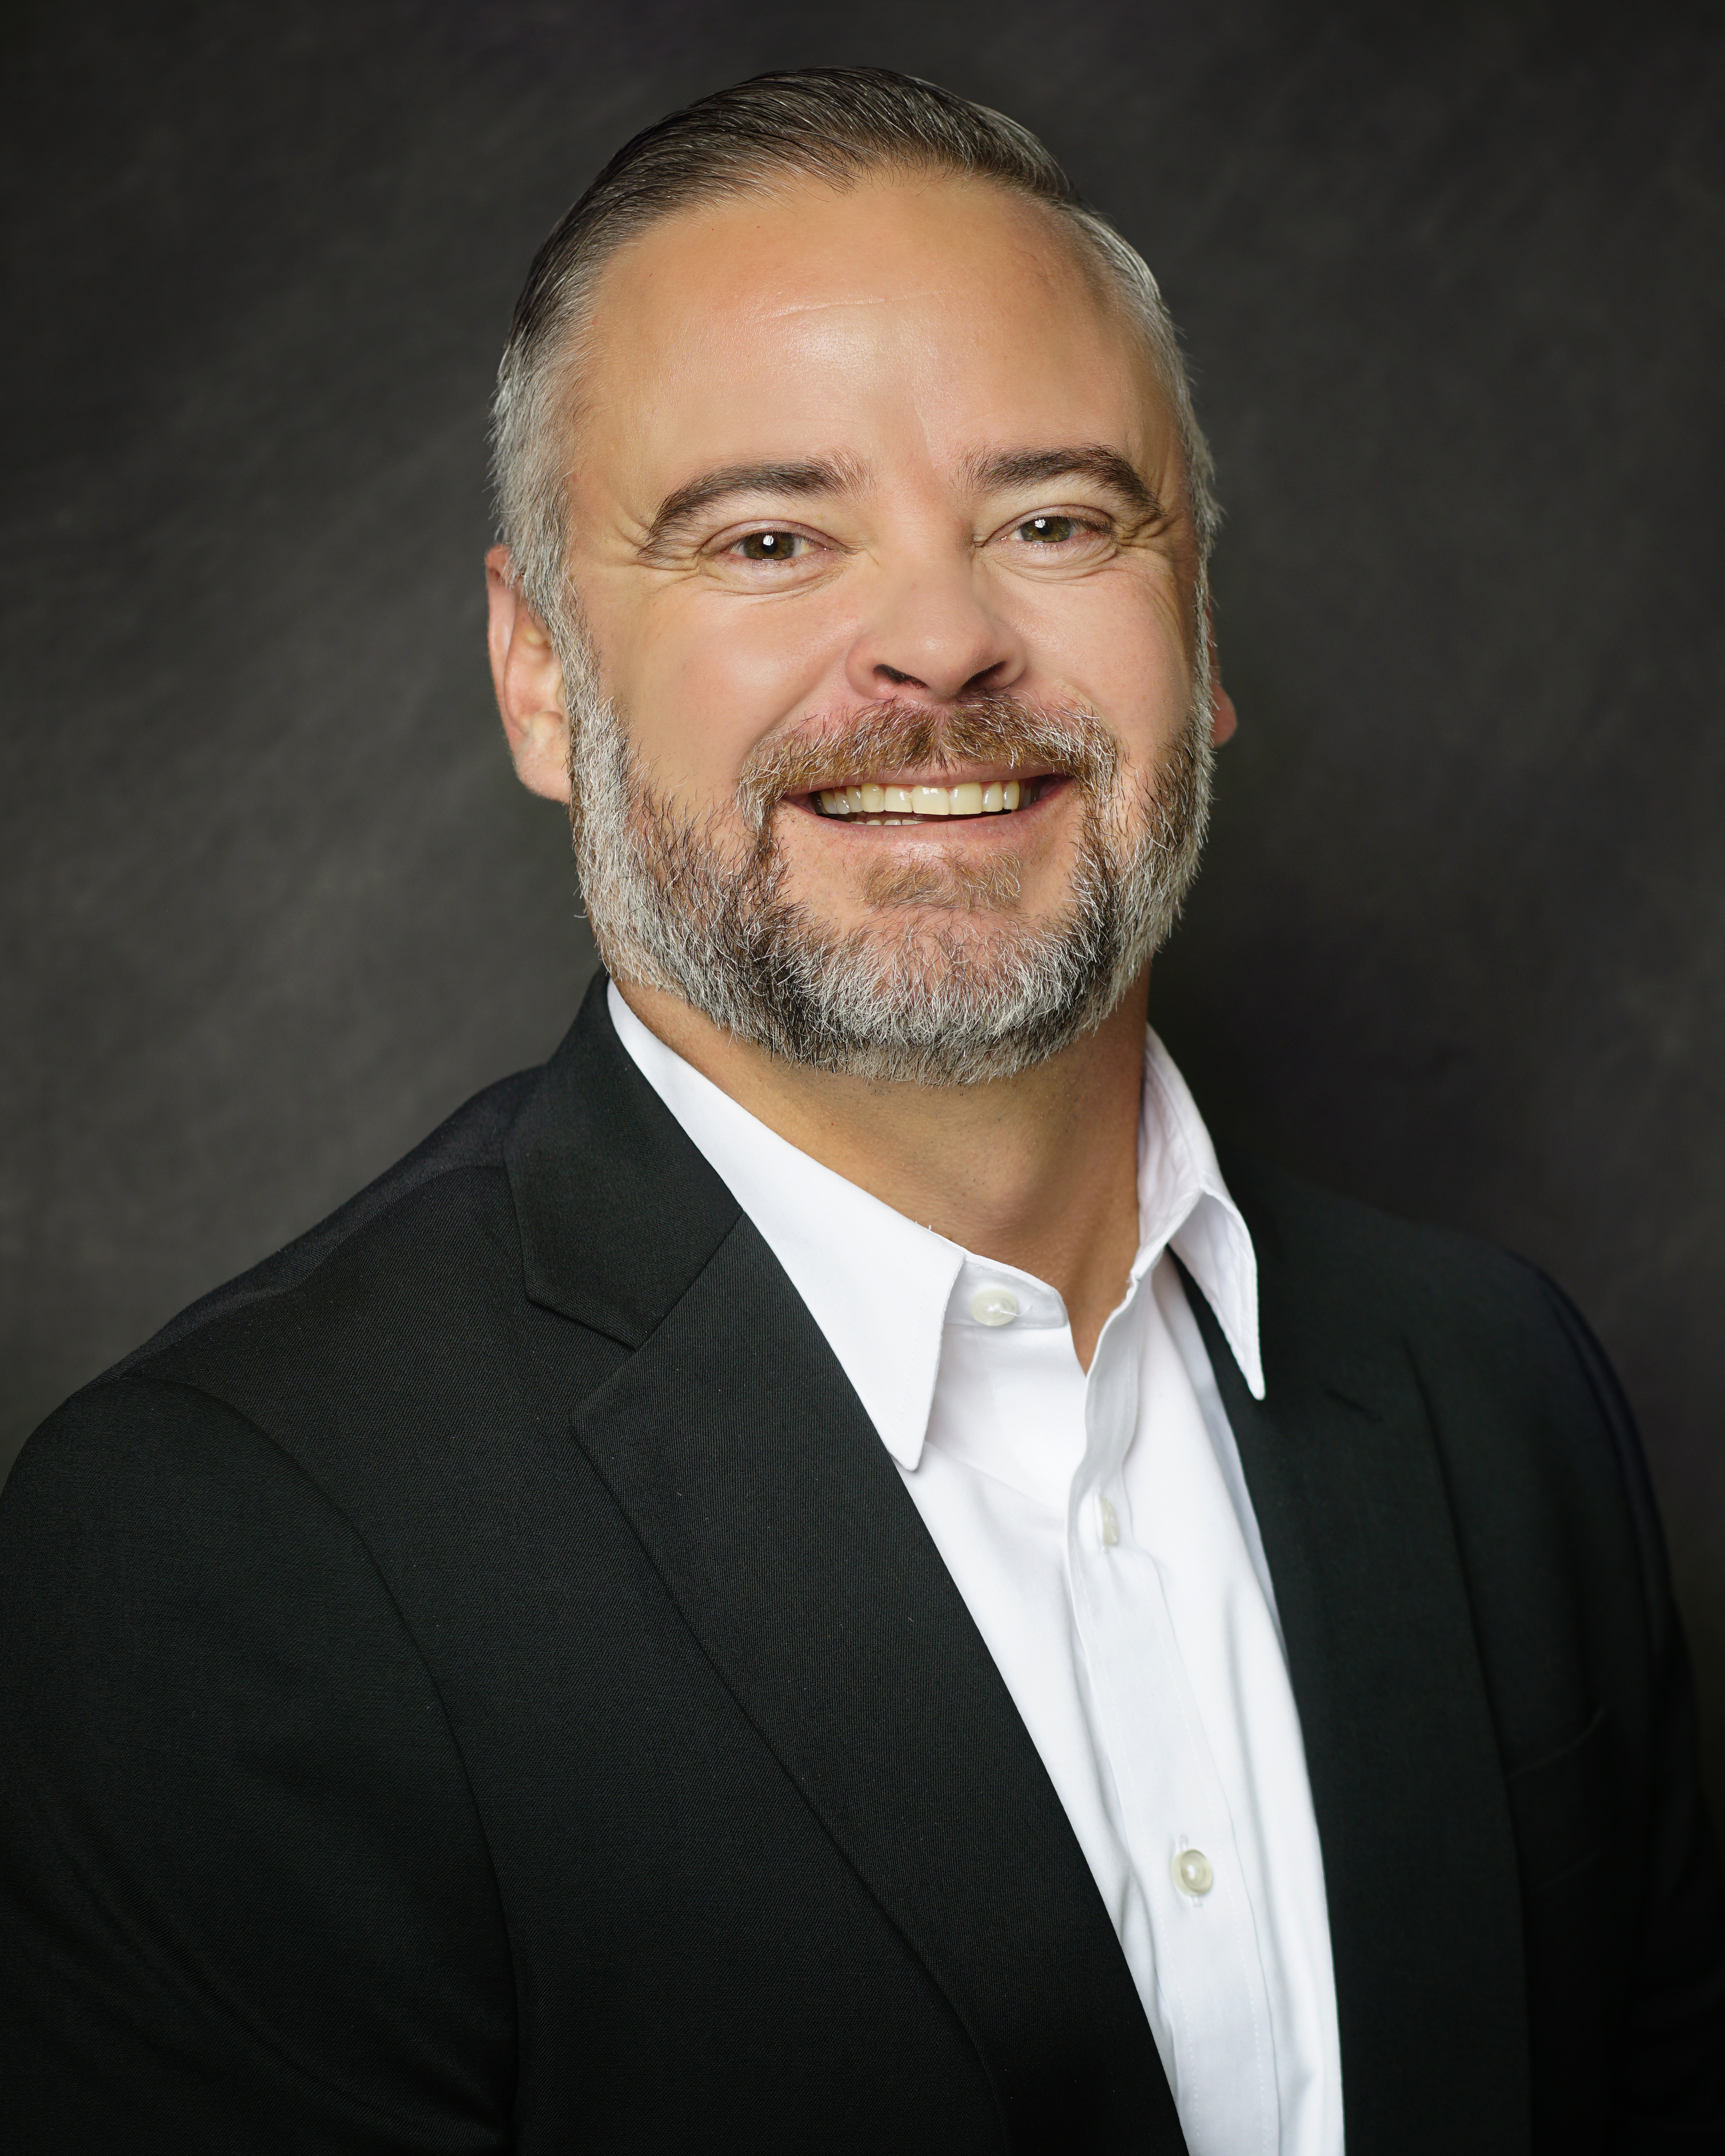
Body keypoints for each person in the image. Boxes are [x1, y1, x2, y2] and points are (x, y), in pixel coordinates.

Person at [2, 66, 1720, 2156]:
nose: (933, 640)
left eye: (1054, 520)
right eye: (768, 535)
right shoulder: (226, 1554)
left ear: (1197, 626)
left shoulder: (1498, 1397)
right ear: (541, 676)